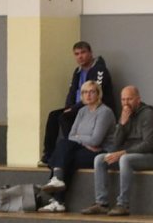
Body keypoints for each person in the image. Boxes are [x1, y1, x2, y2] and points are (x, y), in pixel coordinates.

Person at [81, 85, 153, 217]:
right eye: (123, 99)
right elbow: (114, 145)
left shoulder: (149, 115)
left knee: (125, 159)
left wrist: (123, 153)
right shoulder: (125, 115)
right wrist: (122, 124)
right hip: (132, 154)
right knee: (100, 159)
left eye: (129, 99)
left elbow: (148, 145)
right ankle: (101, 203)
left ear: (138, 99)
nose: (126, 103)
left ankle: (123, 204)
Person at [37, 80, 116, 213]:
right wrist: (85, 141)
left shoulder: (105, 112)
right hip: (85, 149)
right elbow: (71, 135)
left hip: (101, 152)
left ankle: (58, 196)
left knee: (65, 156)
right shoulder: (82, 111)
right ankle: (57, 186)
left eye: (92, 92)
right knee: (65, 148)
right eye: (85, 92)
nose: (88, 95)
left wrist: (80, 138)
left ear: (99, 94)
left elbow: (96, 140)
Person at [40, 41, 115, 166]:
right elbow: (72, 91)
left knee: (64, 117)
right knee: (53, 115)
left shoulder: (100, 69)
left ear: (90, 53)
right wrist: (68, 107)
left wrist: (73, 109)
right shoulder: (77, 71)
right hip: (78, 107)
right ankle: (48, 154)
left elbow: (94, 94)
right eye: (77, 54)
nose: (80, 56)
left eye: (83, 52)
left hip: (94, 108)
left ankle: (71, 148)